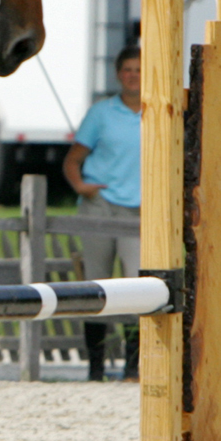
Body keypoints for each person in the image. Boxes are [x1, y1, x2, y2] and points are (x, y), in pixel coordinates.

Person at [63, 46, 142, 381]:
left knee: (137, 286)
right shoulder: (101, 113)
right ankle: (95, 368)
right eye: (127, 69)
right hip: (101, 206)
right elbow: (73, 159)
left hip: (138, 210)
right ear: (117, 74)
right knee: (95, 284)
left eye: (139, 69)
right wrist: (81, 186)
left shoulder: (160, 111)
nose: (133, 75)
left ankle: (132, 367)